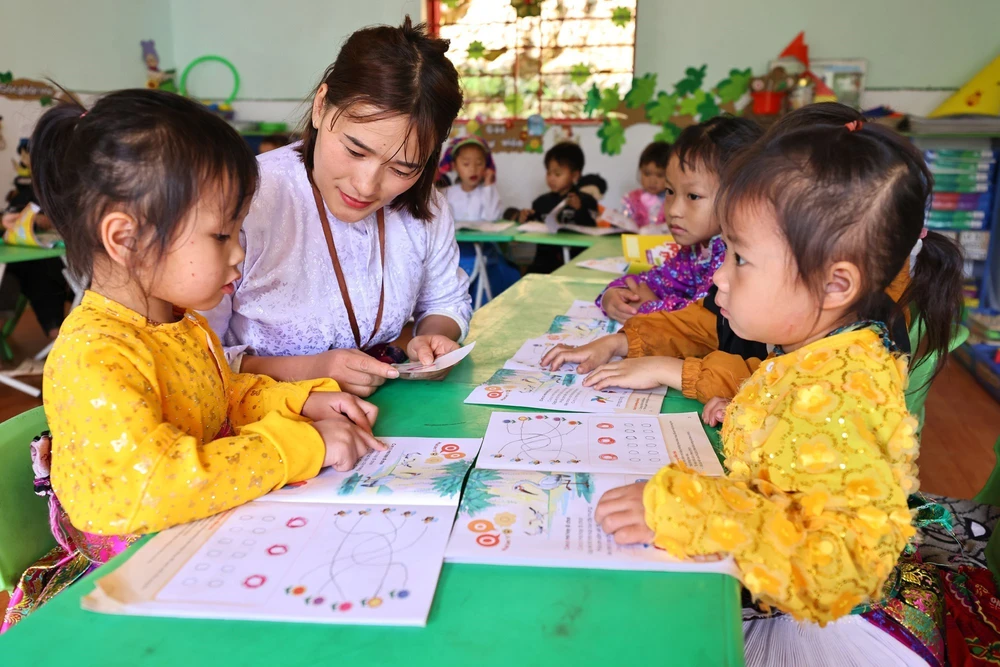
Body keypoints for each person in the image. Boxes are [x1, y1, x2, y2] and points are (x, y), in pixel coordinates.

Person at [2, 89, 384, 631]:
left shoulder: (183, 323)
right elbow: (157, 484)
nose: (239, 253)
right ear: (125, 238)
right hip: (130, 589)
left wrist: (302, 401)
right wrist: (300, 444)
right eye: (221, 234)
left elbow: (218, 397)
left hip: (202, 540)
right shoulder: (94, 354)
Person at [590, 104, 965, 625]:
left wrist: (694, 511)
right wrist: (751, 414)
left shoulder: (841, 390)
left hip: (839, 628)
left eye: (740, 259)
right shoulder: (818, 349)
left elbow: (840, 565)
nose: (719, 277)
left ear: (835, 284)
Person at [206, 18, 471, 396]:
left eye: (402, 169)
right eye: (355, 150)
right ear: (320, 106)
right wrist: (311, 371)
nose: (366, 186)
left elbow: (445, 301)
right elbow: (191, 355)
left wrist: (433, 339)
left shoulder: (426, 207)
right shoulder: (245, 199)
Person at [597, 117, 762, 321]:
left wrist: (651, 307)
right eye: (670, 191)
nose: (674, 210)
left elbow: (705, 318)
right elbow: (654, 281)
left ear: (740, 196)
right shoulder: (696, 250)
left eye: (693, 196)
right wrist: (615, 294)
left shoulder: (734, 258)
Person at [440, 135, 520, 300]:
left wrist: (489, 185)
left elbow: (492, 218)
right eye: (466, 164)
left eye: (479, 163)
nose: (473, 169)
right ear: (454, 166)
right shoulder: (447, 193)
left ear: (486, 166)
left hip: (484, 250)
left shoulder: (487, 192)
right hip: (456, 250)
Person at [518, 142, 599, 273]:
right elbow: (535, 228)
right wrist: (525, 218)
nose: (551, 178)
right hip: (544, 264)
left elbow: (593, 229)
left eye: (557, 174)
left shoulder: (586, 201)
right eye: (548, 173)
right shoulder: (540, 202)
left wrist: (580, 209)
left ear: (575, 176)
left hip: (577, 263)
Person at [621, 140, 671, 229]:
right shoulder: (631, 199)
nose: (652, 181)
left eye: (660, 175)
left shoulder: (673, 200)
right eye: (647, 174)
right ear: (640, 170)